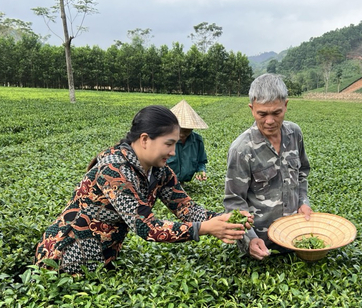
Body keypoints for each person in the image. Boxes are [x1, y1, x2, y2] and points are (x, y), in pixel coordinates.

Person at [35, 105, 250, 274]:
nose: (173, 152)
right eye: (168, 143)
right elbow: (146, 227)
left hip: (103, 257)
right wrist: (202, 228)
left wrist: (226, 220)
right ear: (145, 139)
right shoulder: (114, 170)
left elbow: (185, 207)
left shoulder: (159, 171)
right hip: (65, 259)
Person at [224, 73, 312, 260]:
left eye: (276, 112)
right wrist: (249, 240)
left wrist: (303, 203)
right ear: (252, 108)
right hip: (262, 243)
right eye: (262, 114)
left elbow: (302, 173)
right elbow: (234, 202)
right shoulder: (242, 149)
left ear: (286, 105)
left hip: (295, 238)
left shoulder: (294, 134)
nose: (270, 121)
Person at [167, 100, 209, 183]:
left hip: (182, 184)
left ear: (192, 128)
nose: (182, 134)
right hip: (164, 185)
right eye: (180, 130)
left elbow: (201, 162)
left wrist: (201, 171)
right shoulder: (165, 140)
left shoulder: (197, 141)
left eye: (186, 131)